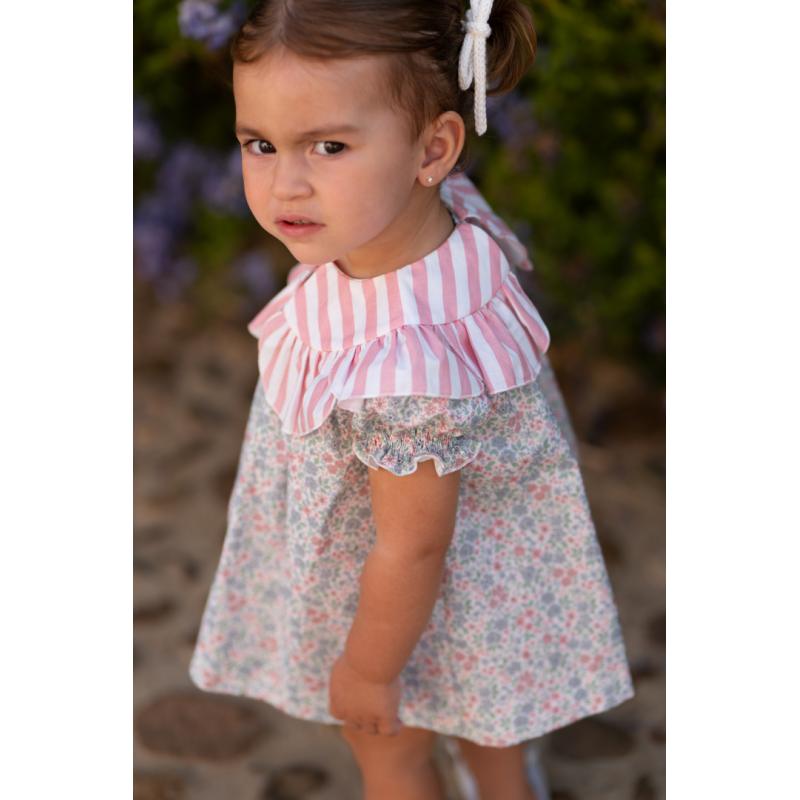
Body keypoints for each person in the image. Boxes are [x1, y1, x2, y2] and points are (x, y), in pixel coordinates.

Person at [190, 1, 634, 798]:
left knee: (390, 754)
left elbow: (412, 548)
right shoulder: (439, 220)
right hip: (492, 582)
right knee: (492, 729)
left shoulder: (403, 371)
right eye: (260, 144)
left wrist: (368, 669)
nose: (286, 182)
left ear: (433, 149)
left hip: (390, 608)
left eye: (329, 146)